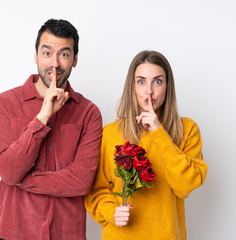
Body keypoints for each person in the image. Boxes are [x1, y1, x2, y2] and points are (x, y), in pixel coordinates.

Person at [0, 19, 102, 240]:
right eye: (47, 53)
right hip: (14, 233)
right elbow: (9, 171)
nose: (55, 63)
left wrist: (24, 180)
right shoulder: (5, 104)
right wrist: (42, 117)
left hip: (67, 234)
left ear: (75, 60)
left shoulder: (88, 113)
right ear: (36, 55)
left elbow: (80, 181)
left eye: (64, 54)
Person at [84, 50, 208, 239]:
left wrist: (159, 133)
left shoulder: (187, 129)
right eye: (141, 81)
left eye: (158, 81)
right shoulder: (110, 133)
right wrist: (111, 211)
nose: (149, 91)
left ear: (167, 86)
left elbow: (185, 186)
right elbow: (95, 191)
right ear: (132, 86)